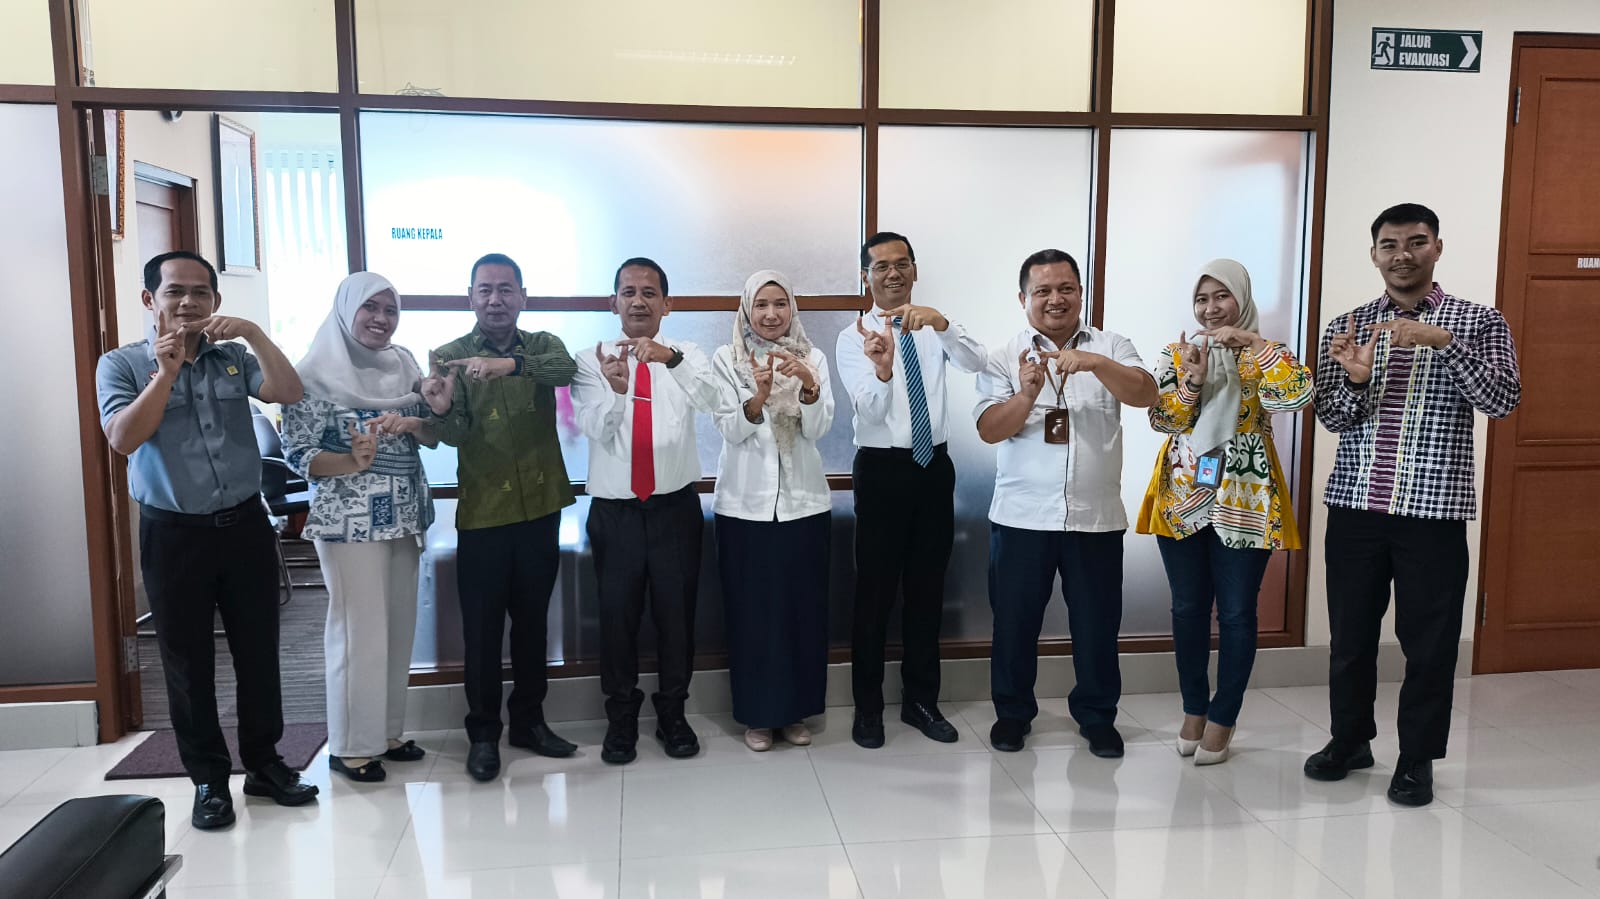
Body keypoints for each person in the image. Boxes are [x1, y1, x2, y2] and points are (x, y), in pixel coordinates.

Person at [1305, 203, 1520, 806]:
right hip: (1356, 505)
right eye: (1390, 245)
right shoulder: (1349, 325)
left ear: (1437, 248)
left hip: (1434, 511)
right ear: (1375, 254)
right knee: (1350, 636)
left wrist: (1443, 342)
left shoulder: (1478, 321)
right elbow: (1333, 418)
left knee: (1430, 643)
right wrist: (1356, 379)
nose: (1403, 255)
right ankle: (1350, 740)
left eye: (1416, 242)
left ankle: (1417, 757)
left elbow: (1503, 399)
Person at [95, 251, 318, 830]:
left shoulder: (233, 358)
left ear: (215, 301)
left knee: (258, 653)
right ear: (151, 300)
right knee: (187, 663)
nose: (188, 302)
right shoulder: (120, 364)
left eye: (201, 292)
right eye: (175, 291)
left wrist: (254, 333)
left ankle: (266, 764)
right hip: (174, 535)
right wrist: (165, 374)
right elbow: (122, 438)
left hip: (245, 527)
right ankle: (208, 781)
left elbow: (288, 392)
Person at [976, 248, 1157, 758]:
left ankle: (1097, 717)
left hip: (1095, 517)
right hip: (1021, 517)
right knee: (1014, 625)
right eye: (1043, 291)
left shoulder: (1112, 344)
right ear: (1023, 298)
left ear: (1081, 293)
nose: (1055, 299)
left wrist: (1096, 364)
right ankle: (1012, 714)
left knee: (1097, 625)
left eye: (1066, 289)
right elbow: (989, 429)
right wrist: (1026, 396)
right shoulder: (1003, 356)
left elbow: (1146, 394)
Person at [1136, 259, 1314, 765]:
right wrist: (1191, 382)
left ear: (1242, 299)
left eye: (1221, 296)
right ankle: (1194, 708)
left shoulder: (1268, 352)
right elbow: (1161, 418)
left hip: (1246, 496)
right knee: (1187, 609)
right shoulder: (1178, 352)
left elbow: (1297, 396)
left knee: (1236, 612)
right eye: (1202, 299)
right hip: (1184, 493)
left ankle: (1224, 715)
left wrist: (1254, 346)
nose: (1211, 308)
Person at [430, 253, 579, 782]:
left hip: (540, 508)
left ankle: (530, 723)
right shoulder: (449, 357)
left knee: (533, 624)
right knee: (483, 631)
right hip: (484, 515)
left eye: (505, 289)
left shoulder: (542, 345)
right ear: (470, 297)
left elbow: (566, 372)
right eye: (485, 290)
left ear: (522, 296)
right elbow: (452, 435)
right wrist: (442, 411)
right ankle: (483, 735)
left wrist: (509, 365)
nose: (495, 300)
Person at [282, 272, 437, 782]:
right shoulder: (311, 374)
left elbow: (431, 429)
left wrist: (427, 412)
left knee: (396, 627)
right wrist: (350, 461)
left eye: (390, 310)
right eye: (370, 307)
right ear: (346, 310)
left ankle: (386, 733)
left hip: (405, 513)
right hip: (349, 519)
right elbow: (298, 453)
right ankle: (351, 746)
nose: (381, 319)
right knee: (357, 631)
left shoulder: (404, 363)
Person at [835, 231, 987, 748]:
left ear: (915, 271)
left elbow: (976, 363)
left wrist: (942, 324)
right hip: (882, 470)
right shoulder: (853, 336)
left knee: (927, 590)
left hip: (933, 468)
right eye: (881, 266)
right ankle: (867, 708)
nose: (893, 273)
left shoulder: (933, 326)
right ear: (866, 277)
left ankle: (921, 701)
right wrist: (882, 369)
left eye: (901, 264)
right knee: (874, 593)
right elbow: (869, 410)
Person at [572, 257, 719, 764]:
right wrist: (617, 392)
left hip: (674, 508)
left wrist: (669, 360)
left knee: (677, 618)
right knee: (618, 619)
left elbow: (715, 401)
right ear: (613, 303)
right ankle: (621, 716)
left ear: (667, 304)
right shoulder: (589, 359)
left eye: (649, 292)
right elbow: (594, 428)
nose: (638, 301)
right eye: (628, 292)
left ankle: (673, 713)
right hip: (616, 513)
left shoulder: (688, 354)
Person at [710, 270, 834, 751]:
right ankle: (758, 715)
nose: (770, 314)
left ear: (791, 309)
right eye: (760, 304)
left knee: (801, 611)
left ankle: (794, 712)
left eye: (780, 304)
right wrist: (758, 398)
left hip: (804, 505)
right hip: (745, 508)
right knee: (753, 614)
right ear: (747, 309)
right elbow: (729, 428)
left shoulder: (812, 357)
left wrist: (808, 388)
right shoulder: (727, 359)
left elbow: (819, 430)